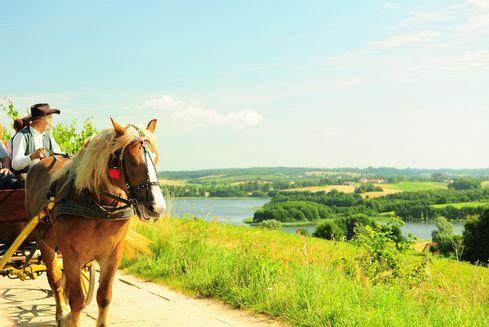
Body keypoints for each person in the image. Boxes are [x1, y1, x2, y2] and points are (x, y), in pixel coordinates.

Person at [11, 103, 62, 178]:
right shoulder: (22, 136)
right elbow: (15, 164)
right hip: (28, 179)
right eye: (50, 119)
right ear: (42, 119)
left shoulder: (49, 137)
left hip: (46, 177)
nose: (51, 123)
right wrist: (31, 157)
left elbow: (59, 154)